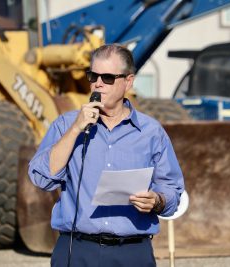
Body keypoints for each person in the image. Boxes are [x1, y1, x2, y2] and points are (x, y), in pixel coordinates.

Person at [28, 43, 184, 267]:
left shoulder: (151, 132)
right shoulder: (66, 125)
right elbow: (41, 178)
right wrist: (75, 130)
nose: (98, 83)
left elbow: (172, 189)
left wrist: (157, 201)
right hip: (77, 249)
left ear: (128, 81)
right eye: (93, 75)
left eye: (108, 77)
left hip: (133, 252)